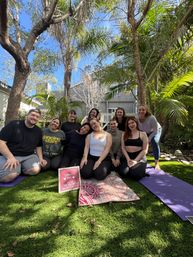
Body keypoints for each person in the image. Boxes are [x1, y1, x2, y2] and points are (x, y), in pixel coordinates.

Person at [0, 109, 47, 183]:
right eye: (33, 115)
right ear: (27, 115)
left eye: (37, 117)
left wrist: (41, 159)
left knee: (35, 170)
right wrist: (10, 157)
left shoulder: (38, 131)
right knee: (9, 177)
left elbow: (38, 146)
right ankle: (15, 170)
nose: (34, 117)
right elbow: (1, 142)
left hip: (29, 156)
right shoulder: (13, 124)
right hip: (11, 155)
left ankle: (19, 167)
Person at [137, 105, 162, 170]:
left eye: (143, 110)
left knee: (154, 142)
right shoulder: (136, 118)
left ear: (146, 111)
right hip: (145, 132)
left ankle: (157, 163)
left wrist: (148, 139)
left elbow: (155, 131)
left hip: (155, 131)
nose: (141, 111)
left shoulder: (151, 118)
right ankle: (139, 159)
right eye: (140, 110)